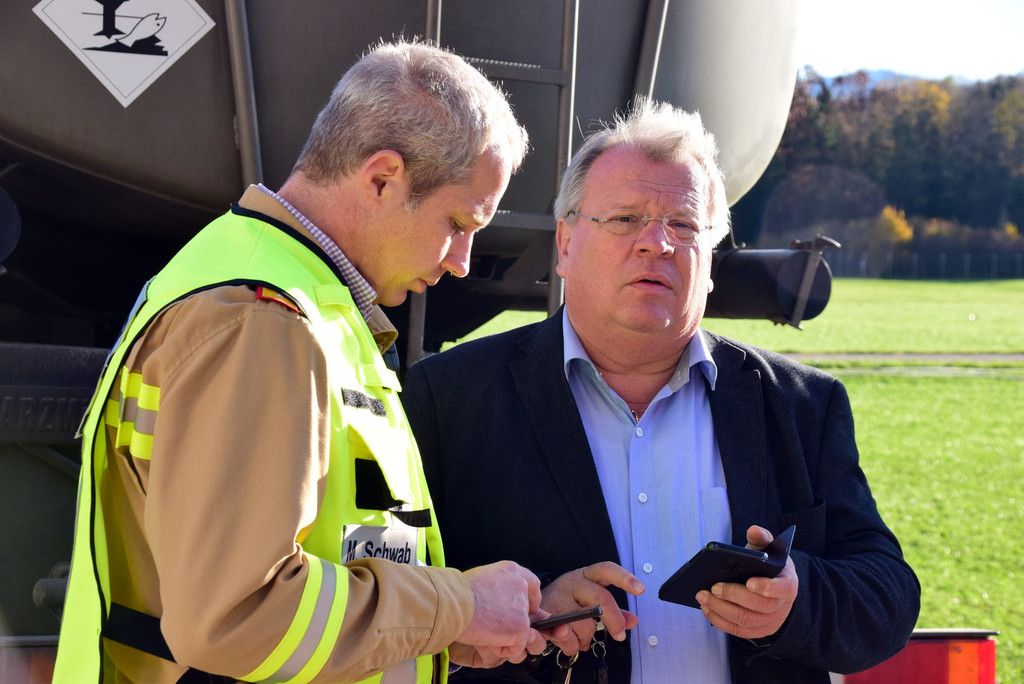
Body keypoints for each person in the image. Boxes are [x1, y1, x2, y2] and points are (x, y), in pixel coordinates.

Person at [53, 40, 558, 683]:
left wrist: (453, 630)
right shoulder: (264, 322)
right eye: (458, 223)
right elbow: (238, 616)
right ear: (382, 178)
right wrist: (457, 608)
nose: (461, 261)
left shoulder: (293, 299)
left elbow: (314, 577)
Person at [402, 99, 921, 683]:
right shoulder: (449, 398)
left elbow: (888, 595)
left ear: (712, 259)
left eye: (684, 225)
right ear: (566, 244)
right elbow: (392, 596)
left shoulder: (801, 405)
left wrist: (795, 601)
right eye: (625, 219)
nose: (657, 243)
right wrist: (531, 605)